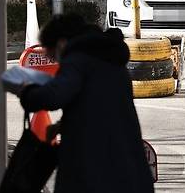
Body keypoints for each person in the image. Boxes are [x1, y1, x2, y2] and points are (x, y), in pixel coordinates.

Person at [18, 14, 154, 193]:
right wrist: (62, 126)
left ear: (60, 44)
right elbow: (99, 107)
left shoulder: (78, 61)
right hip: (129, 165)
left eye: (53, 55)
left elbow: (53, 96)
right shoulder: (111, 59)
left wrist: (27, 91)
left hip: (94, 169)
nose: (57, 61)